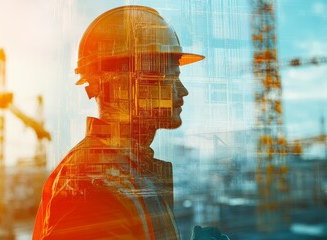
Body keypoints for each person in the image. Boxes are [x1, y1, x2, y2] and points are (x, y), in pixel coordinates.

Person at [33, 5, 228, 240]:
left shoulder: (129, 173)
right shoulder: (93, 183)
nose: (183, 91)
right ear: (122, 85)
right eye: (169, 78)